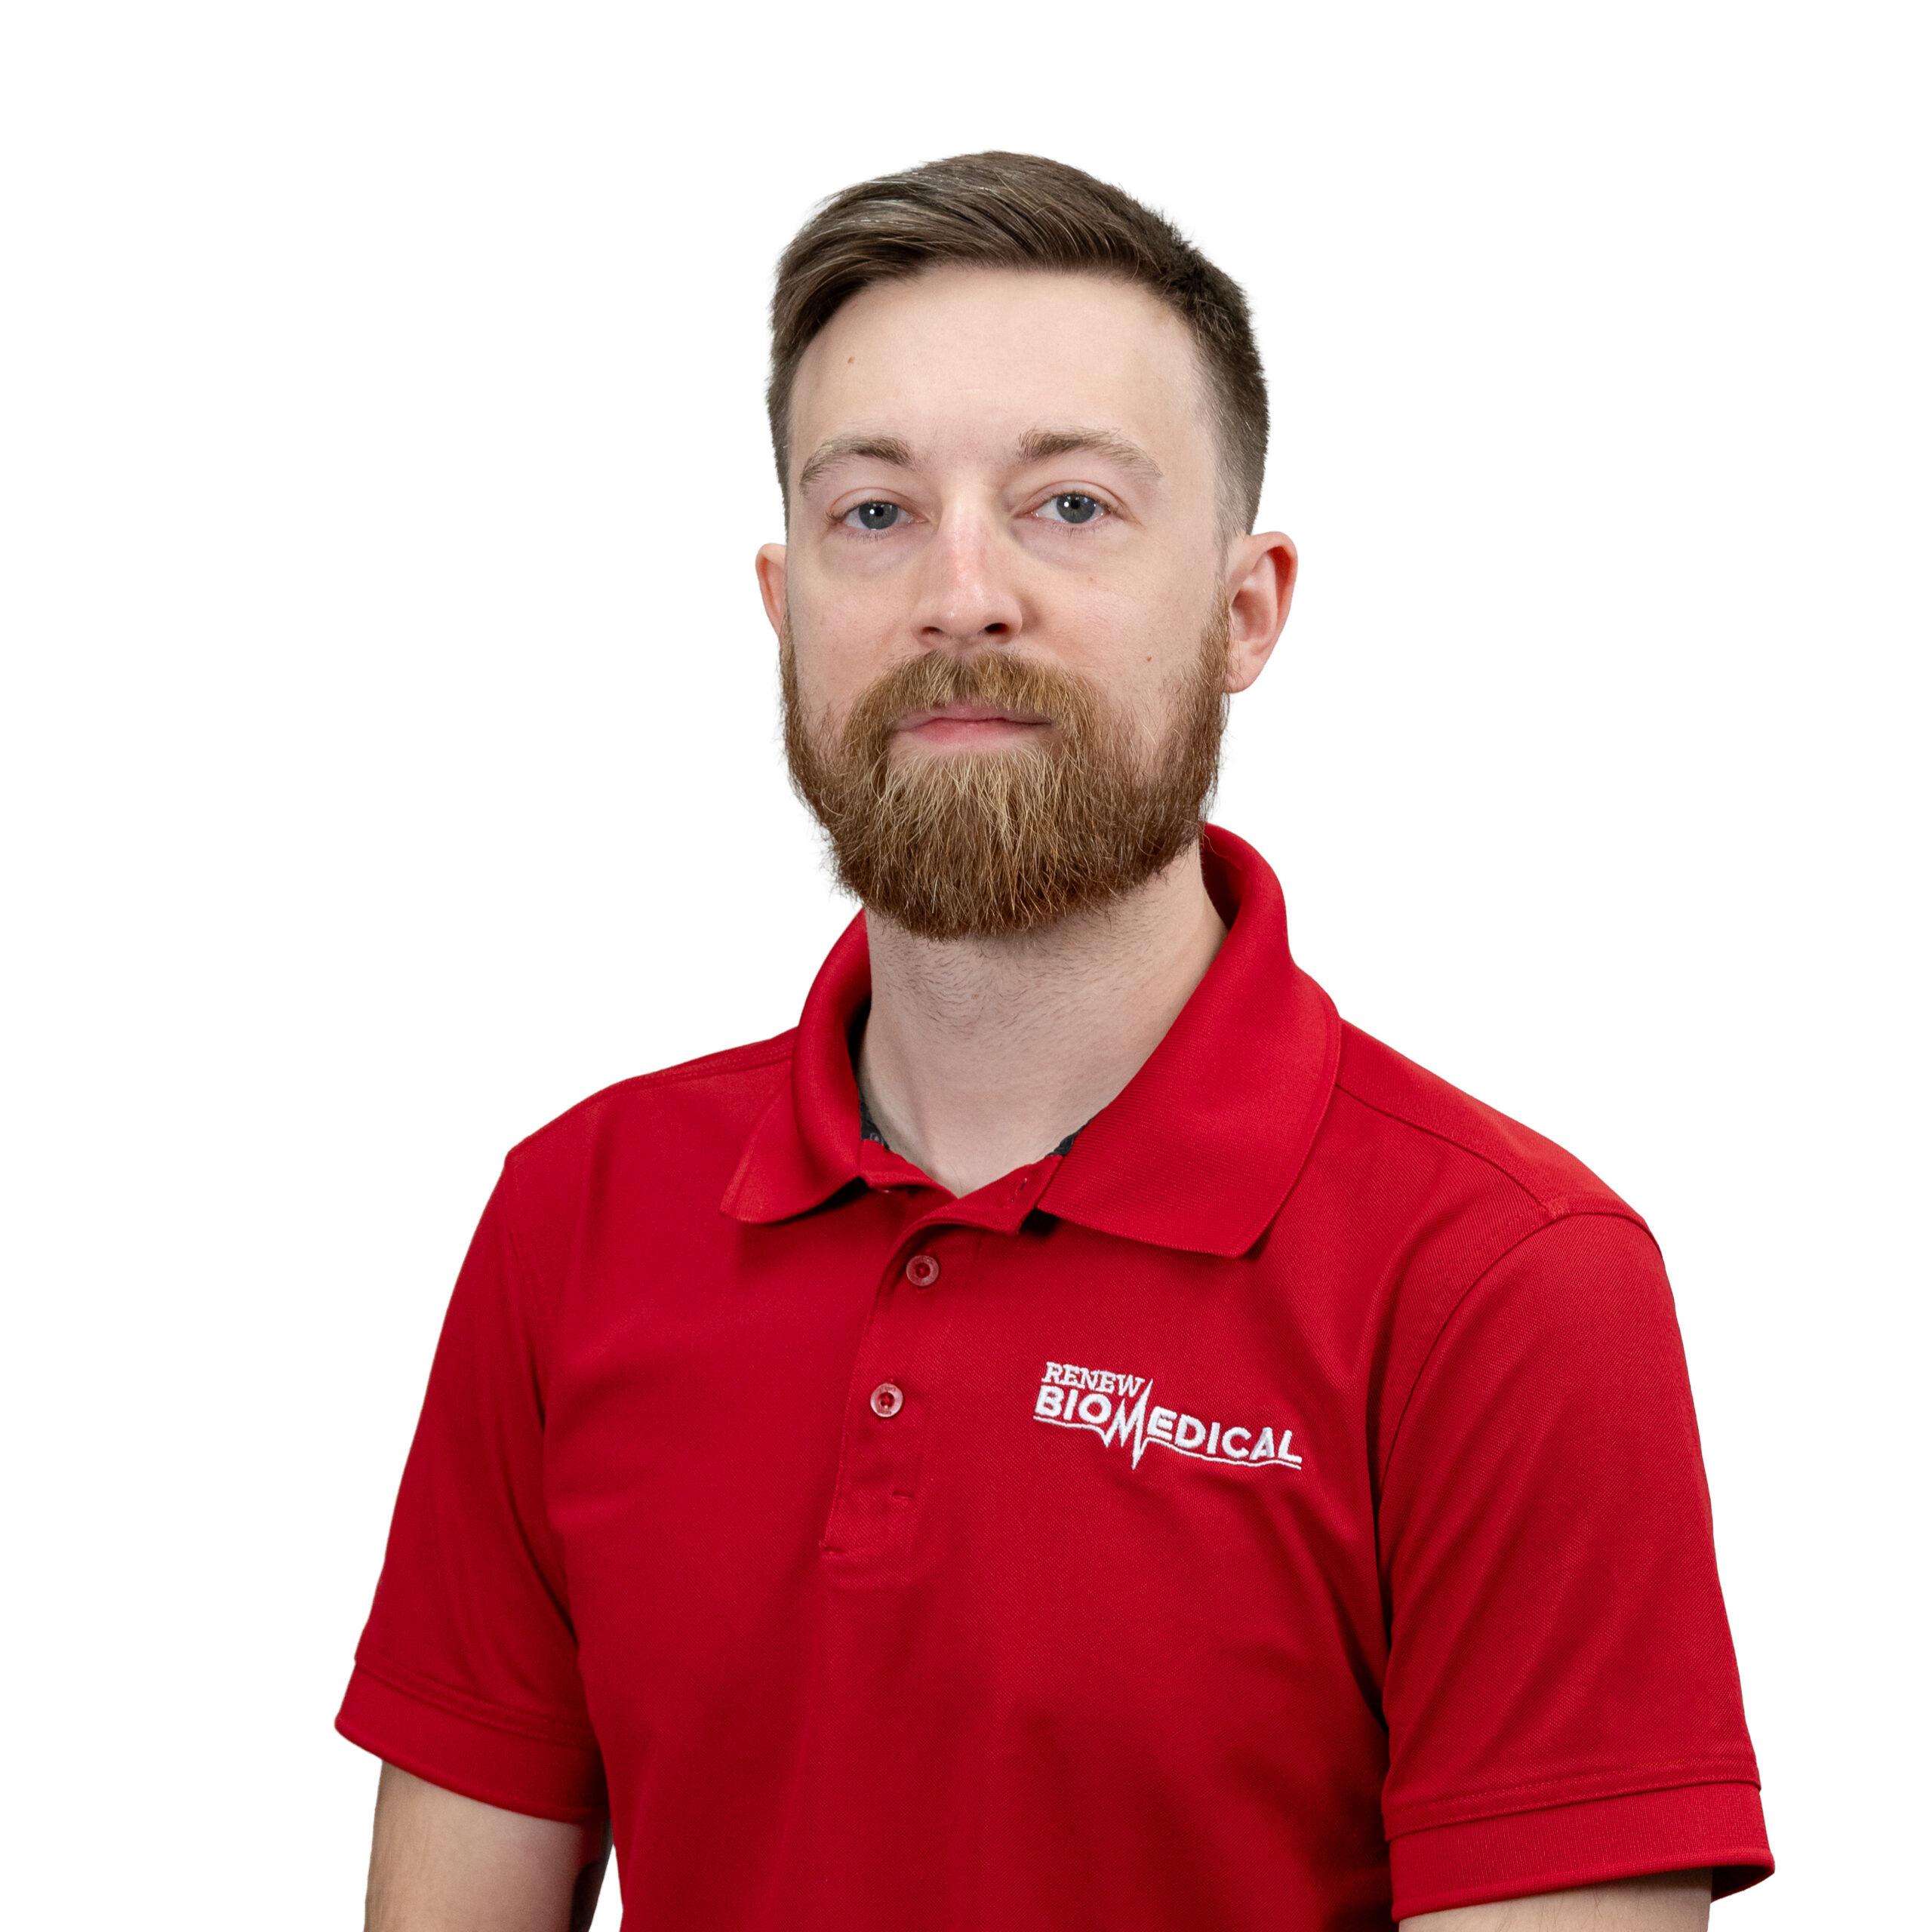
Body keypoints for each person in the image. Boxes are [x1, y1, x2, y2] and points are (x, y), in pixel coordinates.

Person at [338, 152, 1772, 1931]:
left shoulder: (1501, 1284)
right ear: (784, 608)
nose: (960, 593)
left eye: (1069, 505)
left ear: (1244, 611)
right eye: (874, 511)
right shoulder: (577, 1217)